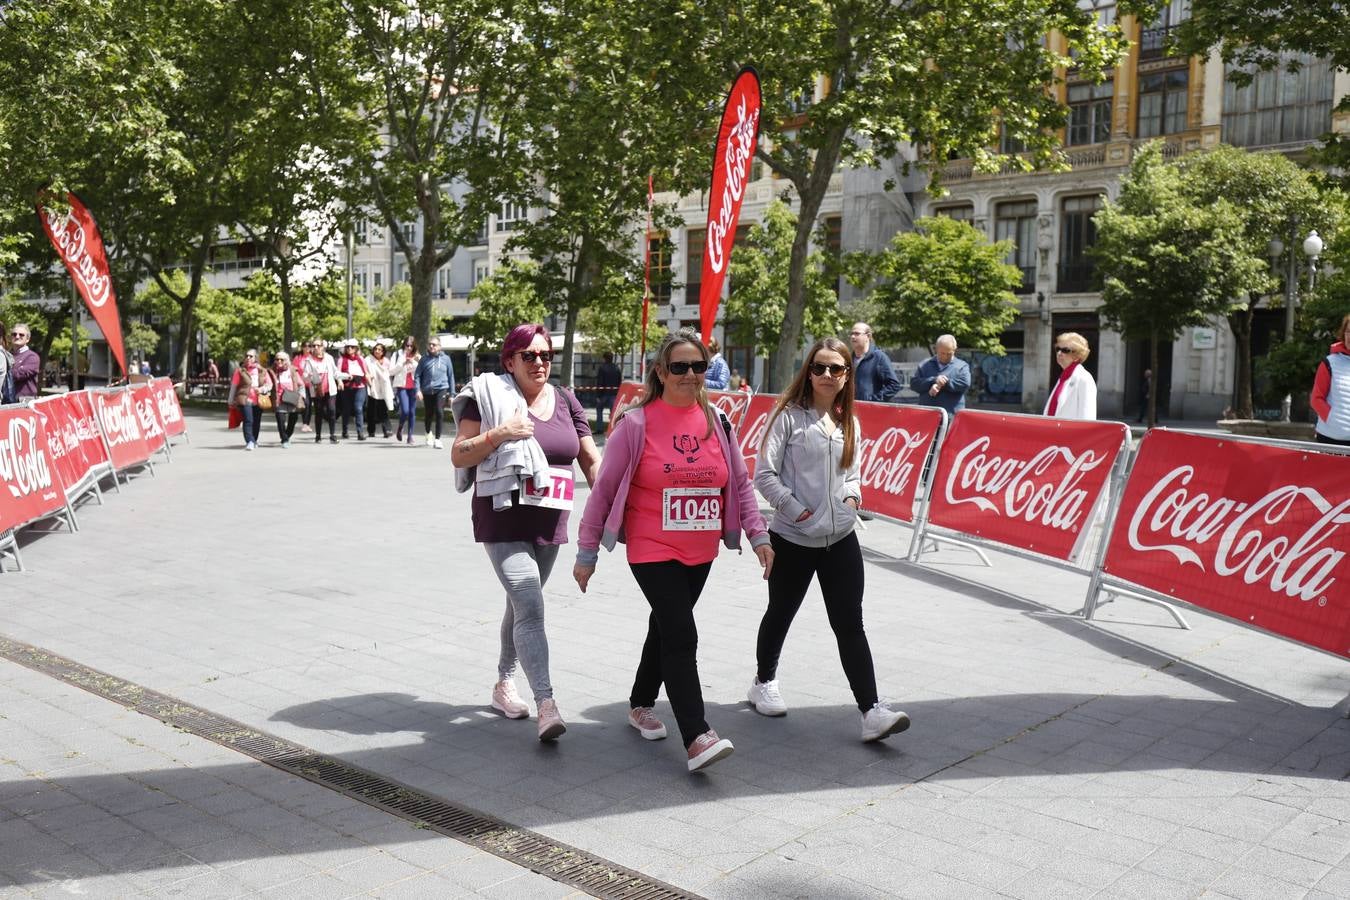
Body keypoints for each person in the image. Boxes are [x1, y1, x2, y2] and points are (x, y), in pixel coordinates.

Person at [573, 329, 774, 773]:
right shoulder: (636, 423)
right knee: (683, 634)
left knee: (665, 627)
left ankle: (640, 703)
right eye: (679, 367)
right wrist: (587, 553)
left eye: (697, 366)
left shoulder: (718, 421)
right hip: (651, 546)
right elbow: (603, 491)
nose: (689, 375)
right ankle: (698, 735)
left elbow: (739, 483)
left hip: (700, 550)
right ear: (661, 372)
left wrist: (759, 535)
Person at [750, 337, 911, 742]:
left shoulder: (848, 422)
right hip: (793, 537)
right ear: (808, 371)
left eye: (835, 369)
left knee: (849, 622)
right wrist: (796, 511)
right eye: (819, 367)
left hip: (840, 538)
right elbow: (764, 475)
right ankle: (763, 682)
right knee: (780, 613)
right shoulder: (787, 415)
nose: (826, 375)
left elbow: (851, 473)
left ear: (846, 376)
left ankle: (871, 711)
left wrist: (853, 498)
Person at [451, 324, 601, 742]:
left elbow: (590, 459)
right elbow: (458, 454)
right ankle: (546, 704)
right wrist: (501, 433)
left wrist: (609, 502)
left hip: (550, 520)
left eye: (546, 355)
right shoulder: (487, 397)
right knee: (531, 603)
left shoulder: (567, 400)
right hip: (502, 519)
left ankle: (503, 683)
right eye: (530, 355)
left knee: (521, 605)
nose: (539, 362)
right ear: (510, 360)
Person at [1311, 313, 1350, 445]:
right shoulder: (1329, 363)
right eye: (1348, 331)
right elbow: (1316, 399)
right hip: (1330, 439)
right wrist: (1333, 420)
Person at [909, 334, 972, 414]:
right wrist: (934, 380)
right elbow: (914, 384)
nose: (945, 356)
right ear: (936, 349)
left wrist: (942, 383)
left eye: (949, 353)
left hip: (952, 416)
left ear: (954, 350)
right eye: (942, 353)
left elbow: (964, 383)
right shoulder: (925, 364)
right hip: (927, 415)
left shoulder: (962, 366)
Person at [227, 349, 273, 451]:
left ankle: (254, 440)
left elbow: (269, 384)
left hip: (259, 400)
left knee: (256, 422)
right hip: (245, 399)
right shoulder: (240, 371)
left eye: (251, 356)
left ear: (255, 358)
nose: (248, 358)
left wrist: (262, 389)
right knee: (248, 421)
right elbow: (234, 386)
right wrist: (230, 400)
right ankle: (250, 441)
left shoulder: (262, 370)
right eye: (246, 356)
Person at [1044, 332, 1097, 420]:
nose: (1059, 353)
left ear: (1077, 356)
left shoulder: (1084, 379)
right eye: (1058, 349)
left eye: (1065, 350)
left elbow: (1088, 419)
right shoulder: (1063, 378)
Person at [416, 337, 456, 449]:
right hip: (427, 390)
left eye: (434, 344)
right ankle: (428, 432)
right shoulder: (424, 359)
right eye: (430, 344)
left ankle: (438, 439)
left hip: (441, 389)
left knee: (439, 412)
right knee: (429, 414)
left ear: (439, 346)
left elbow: (451, 376)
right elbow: (417, 375)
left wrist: (452, 394)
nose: (432, 346)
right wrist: (418, 390)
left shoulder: (446, 359)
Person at [848, 322, 900, 402]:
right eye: (851, 333)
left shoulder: (879, 357)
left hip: (869, 410)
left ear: (868, 336)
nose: (852, 336)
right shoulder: (848, 359)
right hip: (850, 409)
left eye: (857, 334)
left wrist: (873, 400)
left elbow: (894, 385)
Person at [303, 339, 340, 444]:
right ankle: (318, 435)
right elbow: (304, 376)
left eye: (318, 345)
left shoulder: (329, 358)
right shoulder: (309, 360)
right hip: (317, 390)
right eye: (313, 345)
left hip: (330, 389)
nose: (315, 348)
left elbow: (335, 372)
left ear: (323, 347)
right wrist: (310, 377)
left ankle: (332, 435)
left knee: (332, 410)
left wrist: (343, 378)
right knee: (319, 412)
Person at [270, 350, 306, 447]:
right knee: (280, 420)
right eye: (277, 359)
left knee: (293, 420)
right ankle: (284, 440)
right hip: (279, 399)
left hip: (292, 398)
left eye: (282, 359)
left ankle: (287, 435)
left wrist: (302, 396)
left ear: (286, 360)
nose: (279, 361)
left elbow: (301, 384)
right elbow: (268, 383)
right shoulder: (272, 371)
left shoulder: (292, 370)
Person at [337, 339, 369, 440]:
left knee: (358, 408)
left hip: (360, 386)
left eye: (352, 347)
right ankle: (345, 430)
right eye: (348, 347)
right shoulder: (341, 360)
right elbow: (337, 373)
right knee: (346, 410)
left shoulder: (361, 359)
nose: (350, 349)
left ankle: (360, 433)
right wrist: (340, 382)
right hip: (347, 387)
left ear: (356, 349)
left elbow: (366, 372)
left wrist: (370, 383)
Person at [391, 337, 420, 444]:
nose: (409, 347)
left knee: (412, 412)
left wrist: (416, 362)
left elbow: (421, 372)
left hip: (414, 386)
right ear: (404, 345)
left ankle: (410, 436)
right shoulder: (397, 355)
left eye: (411, 345)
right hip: (401, 385)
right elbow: (391, 371)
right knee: (405, 410)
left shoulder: (417, 356)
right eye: (407, 345)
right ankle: (400, 426)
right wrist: (403, 363)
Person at [365, 340, 395, 439]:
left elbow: (390, 372)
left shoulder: (386, 361)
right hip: (372, 387)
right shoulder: (368, 359)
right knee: (371, 410)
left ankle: (387, 430)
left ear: (383, 352)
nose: (377, 351)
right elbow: (365, 370)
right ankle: (371, 431)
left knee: (383, 410)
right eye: (376, 349)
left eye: (379, 350)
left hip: (383, 388)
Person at [9, 323, 40, 399]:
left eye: (21, 335)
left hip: (23, 403)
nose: (17, 336)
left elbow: (17, 375)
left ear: (27, 339)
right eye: (14, 334)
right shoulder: (7, 355)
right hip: (6, 402)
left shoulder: (32, 357)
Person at [595, 352, 622, 431]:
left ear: (605, 358)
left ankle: (599, 429)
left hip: (603, 394)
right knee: (613, 412)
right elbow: (619, 381)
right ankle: (613, 429)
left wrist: (598, 395)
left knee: (599, 409)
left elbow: (600, 382)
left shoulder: (602, 368)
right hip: (614, 394)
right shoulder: (617, 368)